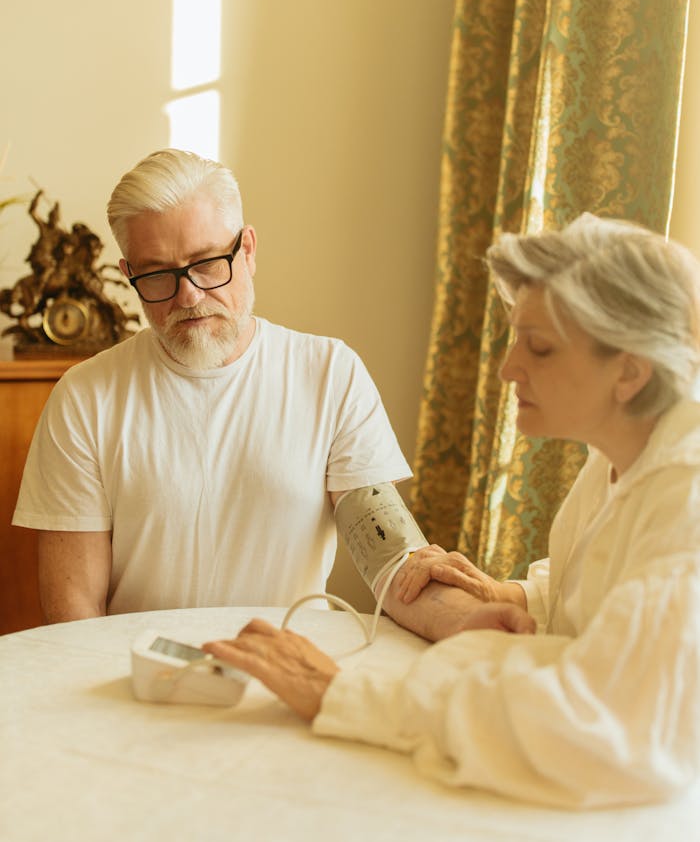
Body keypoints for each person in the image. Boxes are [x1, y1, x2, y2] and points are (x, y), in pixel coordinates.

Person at [203, 213, 700, 808]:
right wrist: (517, 597)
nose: (508, 368)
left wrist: (341, 692)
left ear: (630, 371)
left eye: (538, 347)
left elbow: (598, 730)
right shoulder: (622, 456)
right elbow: (615, 584)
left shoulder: (687, 504)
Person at [13, 148, 533, 641]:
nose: (189, 295)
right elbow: (74, 615)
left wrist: (473, 622)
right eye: (157, 275)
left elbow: (391, 561)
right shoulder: (85, 397)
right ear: (129, 274)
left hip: (286, 671)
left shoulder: (330, 373)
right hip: (139, 677)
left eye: (208, 262)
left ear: (249, 249)